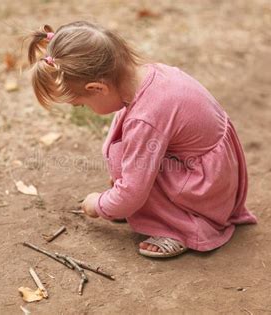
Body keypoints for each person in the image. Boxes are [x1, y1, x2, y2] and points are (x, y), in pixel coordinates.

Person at [27, 21, 257, 258]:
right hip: (215, 174)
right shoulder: (151, 75)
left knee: (134, 169)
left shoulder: (146, 119)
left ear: (97, 88)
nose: (84, 109)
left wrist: (99, 205)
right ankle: (153, 210)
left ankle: (184, 228)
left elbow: (133, 191)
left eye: (81, 104)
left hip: (205, 189)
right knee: (131, 159)